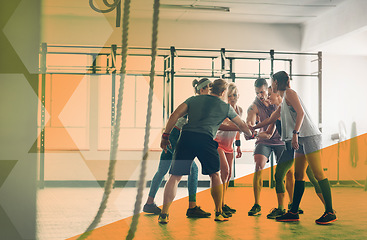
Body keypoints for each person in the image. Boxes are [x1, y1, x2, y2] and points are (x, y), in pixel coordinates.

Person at [158, 79, 252, 223]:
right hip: (205, 140)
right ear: (222, 92)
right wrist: (250, 134)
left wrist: (166, 136)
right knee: (215, 175)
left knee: (175, 177)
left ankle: (164, 214)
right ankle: (218, 213)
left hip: (186, 138)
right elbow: (241, 125)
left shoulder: (193, 100)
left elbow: (174, 115)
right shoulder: (226, 107)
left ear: (211, 89)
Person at [255, 71, 337, 224]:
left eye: (272, 82)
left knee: (318, 174)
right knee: (299, 175)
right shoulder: (283, 100)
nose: (271, 85)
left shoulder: (290, 93)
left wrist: (294, 134)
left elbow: (301, 113)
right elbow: (270, 119)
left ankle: (330, 211)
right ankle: (293, 212)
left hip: (309, 137)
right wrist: (253, 127)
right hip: (300, 139)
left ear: (276, 82)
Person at [143, 78, 211, 218]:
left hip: (173, 134)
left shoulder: (197, 102)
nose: (211, 91)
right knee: (193, 169)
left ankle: (149, 203)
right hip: (177, 135)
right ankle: (192, 207)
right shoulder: (196, 102)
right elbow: (176, 117)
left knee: (162, 170)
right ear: (202, 90)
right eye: (209, 88)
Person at [246, 78, 286, 216]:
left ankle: (292, 205)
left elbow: (272, 125)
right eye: (257, 93)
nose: (260, 95)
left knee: (289, 172)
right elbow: (250, 126)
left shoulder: (277, 102)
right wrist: (252, 131)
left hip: (281, 140)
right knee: (258, 166)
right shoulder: (254, 106)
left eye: (262, 92)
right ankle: (256, 205)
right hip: (264, 140)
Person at [214, 83, 242, 217]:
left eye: (234, 95)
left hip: (230, 146)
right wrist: (242, 127)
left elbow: (237, 130)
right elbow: (228, 125)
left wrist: (238, 145)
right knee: (224, 172)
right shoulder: (223, 109)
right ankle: (218, 206)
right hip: (218, 143)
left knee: (229, 175)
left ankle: (223, 204)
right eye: (230, 95)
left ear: (238, 96)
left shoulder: (240, 110)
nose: (232, 98)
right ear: (226, 96)